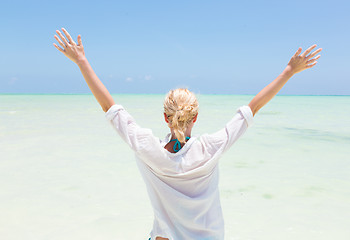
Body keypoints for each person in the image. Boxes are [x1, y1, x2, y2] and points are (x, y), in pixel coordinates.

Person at [53, 28, 322, 240]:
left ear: (165, 118)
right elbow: (253, 107)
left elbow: (108, 106)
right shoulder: (210, 148)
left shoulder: (147, 148)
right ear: (195, 117)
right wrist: (289, 71)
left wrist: (81, 61)